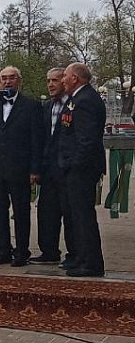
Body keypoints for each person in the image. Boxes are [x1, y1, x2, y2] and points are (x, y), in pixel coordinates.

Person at [0, 66, 44, 267]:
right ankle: (2, 250)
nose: (7, 82)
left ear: (19, 81)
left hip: (20, 168)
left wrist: (35, 169)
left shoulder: (31, 106)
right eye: (4, 79)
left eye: (11, 78)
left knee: (21, 211)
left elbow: (36, 140)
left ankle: (21, 251)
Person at [58, 62, 106, 277]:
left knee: (83, 216)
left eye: (65, 76)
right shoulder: (76, 98)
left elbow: (86, 139)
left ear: (75, 78)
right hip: (73, 167)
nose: (62, 80)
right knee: (75, 215)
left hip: (82, 169)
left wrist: (74, 163)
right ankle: (81, 257)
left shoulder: (85, 100)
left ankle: (91, 263)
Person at [33, 68, 75, 266]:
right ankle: (49, 251)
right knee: (46, 211)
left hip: (67, 168)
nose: (50, 84)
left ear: (64, 82)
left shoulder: (73, 104)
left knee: (69, 212)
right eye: (48, 80)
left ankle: (74, 253)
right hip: (49, 168)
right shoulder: (46, 106)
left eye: (55, 80)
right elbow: (41, 138)